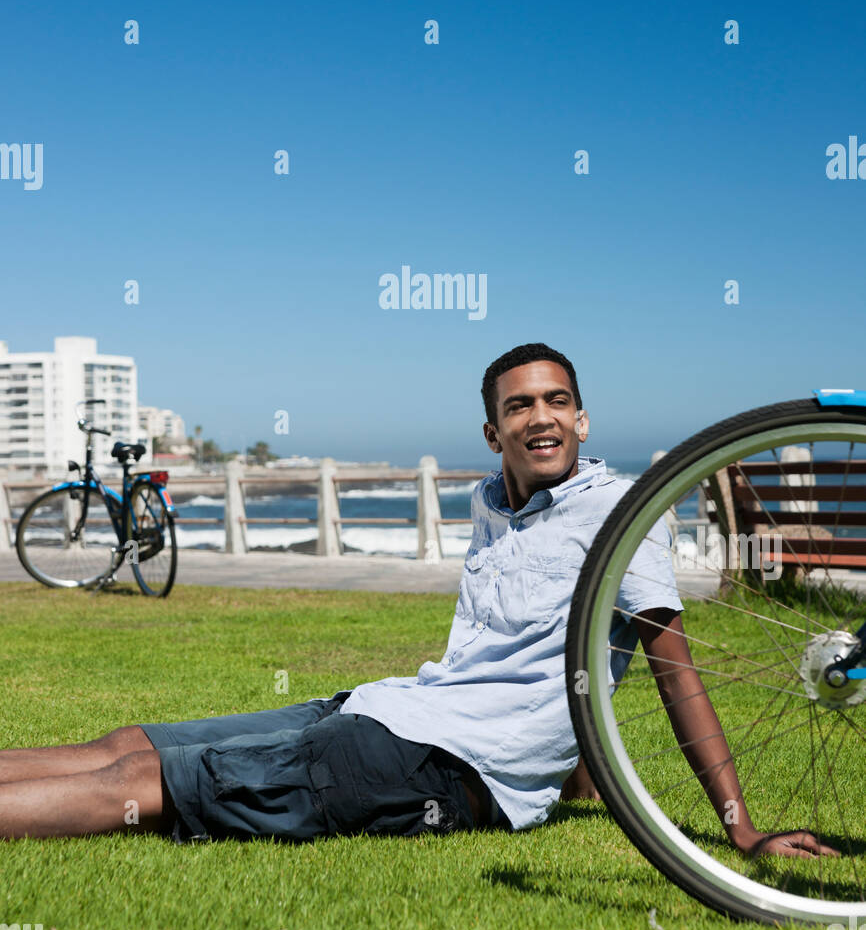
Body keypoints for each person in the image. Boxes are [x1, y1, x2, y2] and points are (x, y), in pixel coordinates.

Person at [0, 343, 837, 859]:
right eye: (519, 406)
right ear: (492, 432)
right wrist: (574, 768)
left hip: (443, 766)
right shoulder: (487, 500)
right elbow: (542, 654)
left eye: (555, 403)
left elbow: (670, 669)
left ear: (583, 421)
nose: (539, 418)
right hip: (396, 706)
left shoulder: (623, 515)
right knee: (127, 740)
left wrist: (739, 826)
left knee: (143, 782)